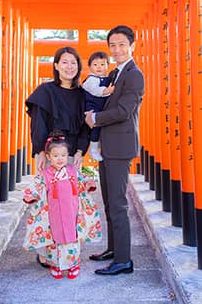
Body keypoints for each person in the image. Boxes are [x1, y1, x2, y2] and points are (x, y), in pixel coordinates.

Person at [85, 25, 145, 275]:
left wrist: (96, 118)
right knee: (109, 202)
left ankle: (124, 260)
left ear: (132, 45)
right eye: (113, 45)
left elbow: (124, 111)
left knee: (118, 204)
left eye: (122, 44)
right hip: (108, 146)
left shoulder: (134, 74)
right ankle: (113, 249)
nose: (117, 49)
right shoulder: (116, 73)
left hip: (119, 147)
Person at [25, 46, 91, 267]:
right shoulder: (45, 91)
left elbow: (85, 127)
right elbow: (38, 123)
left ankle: (70, 252)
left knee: (72, 206)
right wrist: (39, 152)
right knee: (47, 206)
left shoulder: (83, 95)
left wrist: (81, 150)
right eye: (64, 62)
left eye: (73, 62)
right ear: (56, 65)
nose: (69, 66)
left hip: (72, 156)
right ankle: (47, 254)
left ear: (78, 67)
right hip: (49, 155)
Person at [22, 130, 102, 279]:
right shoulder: (46, 174)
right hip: (54, 212)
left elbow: (83, 180)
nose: (60, 159)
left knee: (72, 237)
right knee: (54, 237)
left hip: (72, 211)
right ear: (48, 157)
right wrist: (30, 195)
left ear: (67, 156)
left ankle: (74, 264)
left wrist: (88, 184)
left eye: (63, 156)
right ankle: (56, 264)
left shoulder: (73, 171)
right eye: (55, 156)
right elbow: (37, 185)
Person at [82, 51, 115, 162]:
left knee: (101, 127)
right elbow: (97, 91)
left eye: (102, 64)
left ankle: (98, 146)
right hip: (92, 108)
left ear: (107, 66)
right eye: (95, 65)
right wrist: (108, 90)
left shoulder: (107, 78)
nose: (99, 67)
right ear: (90, 66)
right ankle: (93, 148)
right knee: (95, 127)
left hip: (101, 108)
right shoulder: (91, 80)